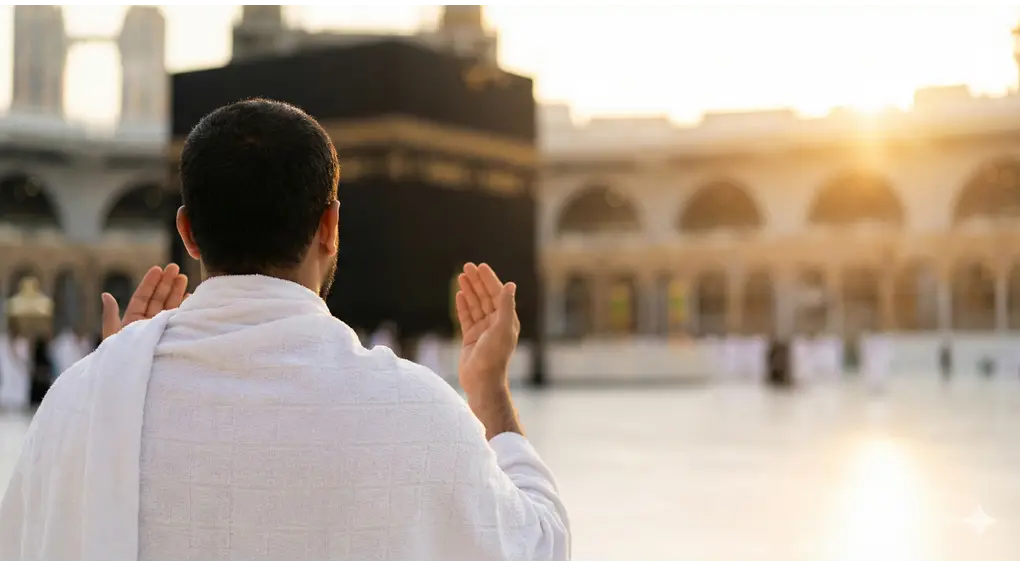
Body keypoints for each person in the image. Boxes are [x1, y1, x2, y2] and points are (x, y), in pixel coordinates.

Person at [0, 99, 569, 565]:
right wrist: (489, 392)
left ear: (188, 232)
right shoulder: (420, 412)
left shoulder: (81, 402)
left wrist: (111, 391)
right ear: (330, 226)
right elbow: (540, 548)